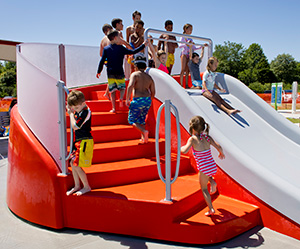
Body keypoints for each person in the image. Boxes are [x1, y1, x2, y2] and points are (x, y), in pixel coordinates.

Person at [181, 116, 225, 216]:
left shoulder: (192, 139)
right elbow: (218, 146)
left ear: (192, 128)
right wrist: (220, 153)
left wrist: (180, 147)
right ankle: (212, 181)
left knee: (204, 188)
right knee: (206, 175)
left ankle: (211, 209)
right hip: (212, 165)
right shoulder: (207, 137)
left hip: (204, 168)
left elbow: (184, 150)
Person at [96, 30, 148, 113]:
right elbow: (133, 51)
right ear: (116, 38)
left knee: (112, 90)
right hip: (119, 71)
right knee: (122, 87)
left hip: (110, 72)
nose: (121, 39)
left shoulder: (106, 49)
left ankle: (114, 108)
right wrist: (143, 45)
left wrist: (99, 71)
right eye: (119, 37)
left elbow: (102, 60)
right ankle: (121, 98)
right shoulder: (121, 48)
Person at [66, 90, 93, 196]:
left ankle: (86, 186)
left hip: (84, 141)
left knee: (76, 165)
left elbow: (75, 126)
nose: (75, 110)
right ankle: (77, 185)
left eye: (76, 108)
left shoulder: (86, 112)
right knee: (72, 163)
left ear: (83, 103)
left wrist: (71, 114)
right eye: (74, 108)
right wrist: (71, 109)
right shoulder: (80, 109)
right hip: (78, 141)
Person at [126, 54, 155, 143]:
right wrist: (150, 100)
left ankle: (144, 132)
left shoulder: (135, 74)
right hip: (147, 100)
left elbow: (130, 86)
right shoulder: (149, 77)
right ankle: (144, 138)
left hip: (137, 99)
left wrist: (127, 99)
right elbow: (153, 92)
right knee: (141, 119)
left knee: (131, 120)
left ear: (136, 66)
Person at [179, 24, 202, 88]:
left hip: (189, 54)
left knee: (187, 70)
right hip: (184, 53)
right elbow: (180, 45)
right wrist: (187, 43)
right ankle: (181, 85)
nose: (191, 31)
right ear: (185, 29)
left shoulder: (190, 38)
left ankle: (186, 85)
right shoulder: (183, 37)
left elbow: (194, 47)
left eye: (191, 30)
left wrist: (201, 46)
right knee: (183, 69)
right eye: (189, 29)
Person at [99, 24, 113, 100]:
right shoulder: (109, 38)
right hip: (111, 59)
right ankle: (107, 92)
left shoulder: (102, 40)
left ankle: (107, 92)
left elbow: (101, 54)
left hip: (106, 59)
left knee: (111, 76)